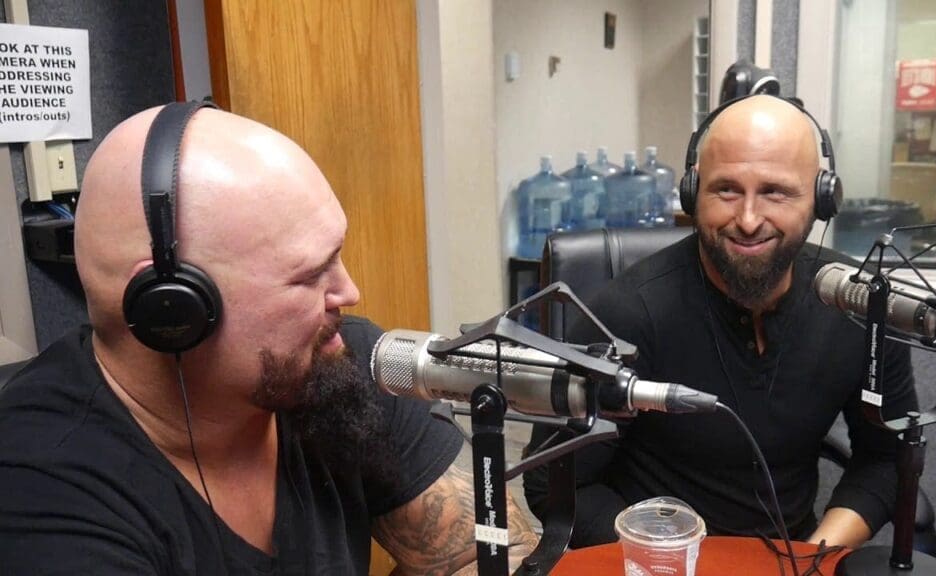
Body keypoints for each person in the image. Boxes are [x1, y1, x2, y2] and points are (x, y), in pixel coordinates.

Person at [0, 104, 537, 574]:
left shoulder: (332, 363)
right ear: (173, 307)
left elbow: (493, 551)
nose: (349, 292)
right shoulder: (41, 490)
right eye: (308, 277)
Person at [524, 95, 918, 549]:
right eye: (726, 190)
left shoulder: (860, 305)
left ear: (822, 198)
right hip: (662, 561)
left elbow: (886, 457)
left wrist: (814, 556)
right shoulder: (623, 314)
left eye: (775, 192)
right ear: (693, 193)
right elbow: (553, 484)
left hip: (797, 556)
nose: (748, 220)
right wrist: (673, 559)